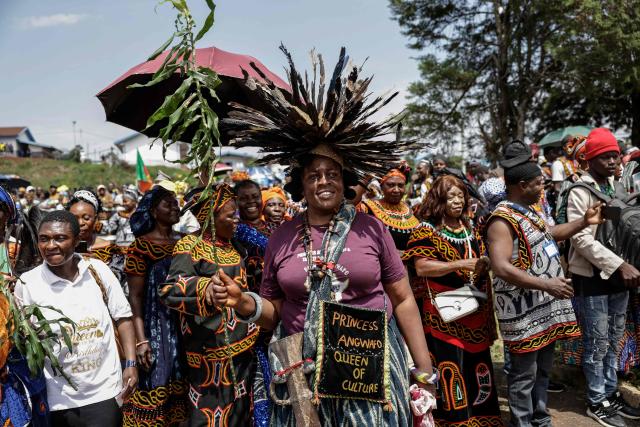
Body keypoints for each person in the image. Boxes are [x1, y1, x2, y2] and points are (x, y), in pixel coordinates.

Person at [218, 46, 432, 426]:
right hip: (302, 367)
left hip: (371, 364)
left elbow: (402, 300)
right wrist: (244, 303)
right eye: (314, 174)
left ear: (345, 180)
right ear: (300, 183)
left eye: (331, 172)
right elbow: (275, 311)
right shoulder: (283, 237)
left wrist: (424, 370)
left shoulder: (371, 228)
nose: (323, 180)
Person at [486, 140, 603, 427]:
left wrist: (583, 222)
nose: (543, 187)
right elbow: (501, 267)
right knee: (523, 375)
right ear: (522, 185)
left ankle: (541, 419)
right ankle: (522, 423)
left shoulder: (528, 212)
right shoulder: (501, 220)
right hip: (523, 312)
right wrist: (546, 284)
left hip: (544, 309)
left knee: (542, 371)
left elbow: (549, 233)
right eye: (539, 183)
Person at [15, 210, 138, 426]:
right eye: (44, 239)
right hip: (57, 397)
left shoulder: (98, 271)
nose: (50, 245)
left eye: (60, 238)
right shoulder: (27, 284)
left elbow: (123, 318)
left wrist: (130, 363)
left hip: (104, 392)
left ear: (77, 240)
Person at [403, 174, 502, 426]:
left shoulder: (470, 229)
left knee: (477, 366)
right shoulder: (426, 230)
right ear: (439, 200)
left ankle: (481, 419)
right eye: (451, 197)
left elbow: (478, 259)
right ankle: (456, 420)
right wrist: (461, 264)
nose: (458, 201)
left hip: (473, 309)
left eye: (461, 196)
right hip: (442, 313)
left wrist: (482, 266)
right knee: (451, 366)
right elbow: (423, 267)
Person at [160, 183, 257, 426]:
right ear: (211, 219)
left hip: (242, 350)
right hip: (208, 355)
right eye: (230, 215)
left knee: (240, 414)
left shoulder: (235, 246)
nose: (236, 219)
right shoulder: (190, 246)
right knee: (209, 415)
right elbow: (170, 290)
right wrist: (204, 288)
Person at [566, 128, 640, 426]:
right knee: (597, 343)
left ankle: (610, 392)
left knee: (613, 340)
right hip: (593, 279)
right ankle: (597, 400)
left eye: (614, 155)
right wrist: (620, 264)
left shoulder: (615, 188)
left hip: (619, 279)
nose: (613, 161)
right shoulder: (579, 192)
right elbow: (581, 239)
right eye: (605, 156)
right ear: (591, 159)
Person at [123, 186, 187, 426]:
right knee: (158, 381)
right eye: (167, 204)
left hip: (186, 325)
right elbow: (136, 297)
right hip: (156, 326)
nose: (175, 207)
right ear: (152, 211)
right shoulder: (141, 247)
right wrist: (141, 340)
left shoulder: (186, 241)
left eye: (176, 203)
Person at [66, 190, 128, 295]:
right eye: (75, 218)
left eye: (86, 218)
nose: (81, 223)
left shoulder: (112, 250)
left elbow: (118, 281)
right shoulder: (61, 249)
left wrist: (96, 263)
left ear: (95, 219)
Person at [359, 165, 419, 251]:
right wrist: (366, 178)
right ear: (381, 186)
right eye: (391, 185)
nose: (396, 190)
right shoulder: (368, 207)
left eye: (401, 185)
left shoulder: (410, 210)